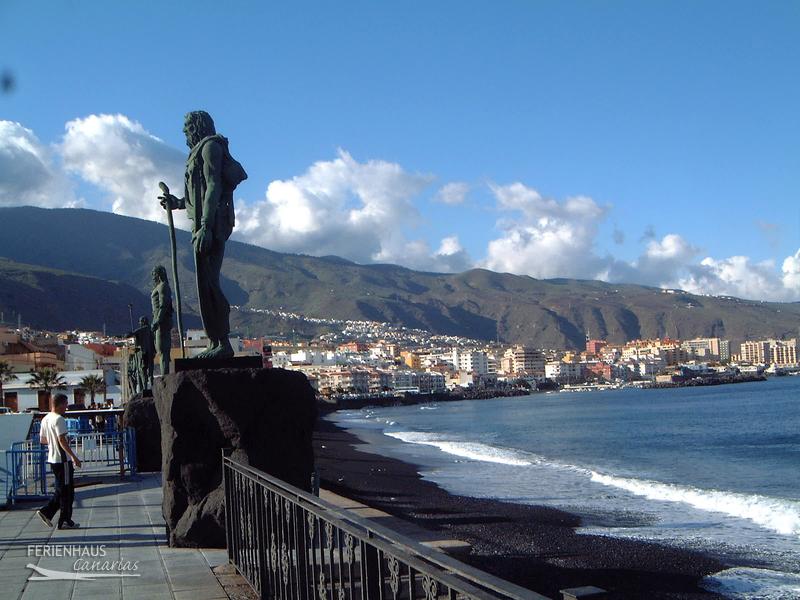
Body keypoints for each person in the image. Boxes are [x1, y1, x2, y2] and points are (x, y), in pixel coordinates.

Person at [158, 110, 247, 358]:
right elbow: (197, 194)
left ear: (197, 126)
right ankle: (216, 340)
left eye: (187, 127)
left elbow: (214, 186)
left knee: (208, 283)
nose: (184, 132)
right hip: (201, 225)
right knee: (203, 284)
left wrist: (206, 225)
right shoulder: (197, 152)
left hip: (211, 226)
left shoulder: (210, 148)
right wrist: (176, 203)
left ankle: (222, 342)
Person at [36, 393, 82, 530]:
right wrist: (74, 457)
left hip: (52, 459)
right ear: (60, 404)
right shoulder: (59, 419)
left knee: (63, 489)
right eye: (66, 405)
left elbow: (42, 440)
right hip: (63, 460)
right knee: (66, 491)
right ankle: (53, 514)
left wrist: (52, 441)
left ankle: (60, 518)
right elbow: (62, 440)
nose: (66, 408)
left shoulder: (45, 419)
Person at [150, 265, 174, 374]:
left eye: (154, 274)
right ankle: (164, 373)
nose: (153, 277)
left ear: (159, 275)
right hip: (158, 321)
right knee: (160, 350)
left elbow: (163, 304)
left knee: (163, 349)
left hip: (162, 323)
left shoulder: (163, 287)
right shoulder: (159, 287)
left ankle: (165, 375)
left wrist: (158, 320)